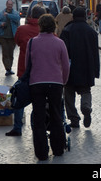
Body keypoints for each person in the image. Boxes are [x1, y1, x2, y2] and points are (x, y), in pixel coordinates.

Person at [26, 14, 70, 161]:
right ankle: (58, 148)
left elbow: (28, 65)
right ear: (53, 26)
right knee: (56, 115)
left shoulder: (32, 43)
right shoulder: (59, 43)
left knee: (38, 118)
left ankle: (41, 152)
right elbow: (65, 65)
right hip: (55, 83)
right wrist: (63, 81)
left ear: (40, 26)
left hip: (36, 84)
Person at [6, 5, 46, 137]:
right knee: (39, 101)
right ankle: (38, 126)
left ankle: (17, 127)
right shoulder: (45, 30)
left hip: (24, 70)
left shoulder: (22, 29)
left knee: (19, 99)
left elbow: (17, 42)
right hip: (41, 72)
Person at [60, 7, 100, 128]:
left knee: (68, 94)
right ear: (84, 17)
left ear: (73, 17)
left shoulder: (67, 30)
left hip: (70, 69)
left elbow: (63, 52)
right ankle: (86, 107)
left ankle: (74, 119)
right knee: (86, 91)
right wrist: (95, 71)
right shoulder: (91, 32)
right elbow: (95, 54)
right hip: (86, 67)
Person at [0, 0, 20, 76]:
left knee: (11, 53)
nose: (9, 6)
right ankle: (7, 69)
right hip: (3, 36)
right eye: (8, 4)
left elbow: (17, 19)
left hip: (12, 37)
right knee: (5, 53)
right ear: (6, 4)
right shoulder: (1, 13)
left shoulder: (15, 13)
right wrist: (1, 23)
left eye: (11, 4)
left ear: (12, 5)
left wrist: (8, 15)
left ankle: (10, 68)